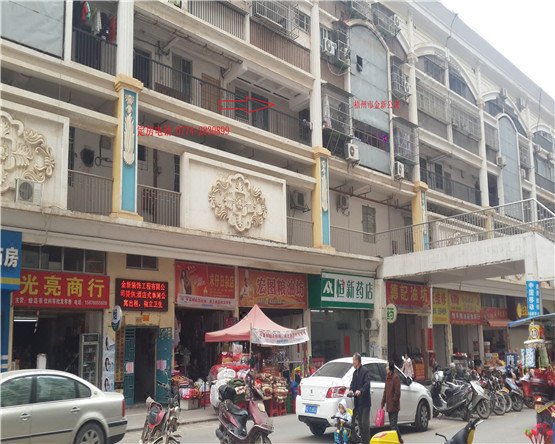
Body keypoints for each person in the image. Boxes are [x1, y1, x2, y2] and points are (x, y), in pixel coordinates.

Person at [348, 353, 371, 444]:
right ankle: (363, 441)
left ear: (358, 361)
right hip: (357, 403)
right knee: (360, 424)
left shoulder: (365, 371)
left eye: (354, 360)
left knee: (365, 423)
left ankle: (367, 442)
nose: (353, 362)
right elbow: (352, 384)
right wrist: (351, 390)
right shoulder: (355, 373)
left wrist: (360, 391)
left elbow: (367, 384)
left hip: (365, 402)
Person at [381, 361, 403, 444]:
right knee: (393, 425)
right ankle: (400, 440)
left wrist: (394, 401)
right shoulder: (387, 378)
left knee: (393, 426)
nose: (385, 368)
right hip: (389, 405)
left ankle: (395, 441)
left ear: (390, 368)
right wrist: (383, 402)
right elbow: (385, 391)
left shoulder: (395, 377)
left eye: (387, 366)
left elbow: (397, 393)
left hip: (394, 406)